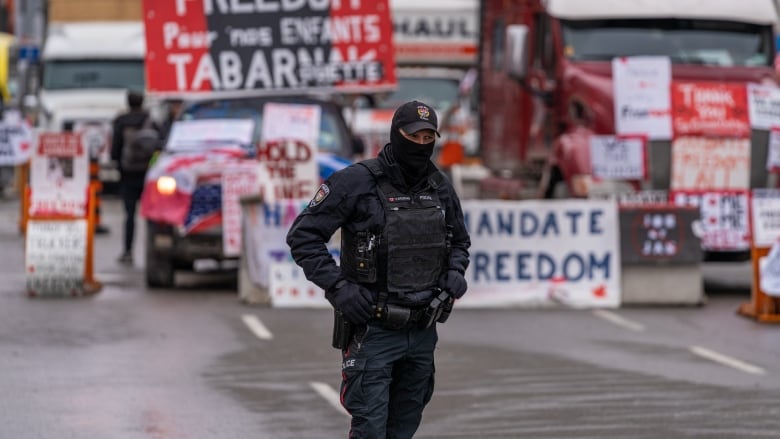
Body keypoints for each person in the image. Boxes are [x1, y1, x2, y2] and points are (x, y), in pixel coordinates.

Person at [286, 100, 471, 438]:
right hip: (374, 330)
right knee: (370, 430)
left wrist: (455, 273)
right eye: (413, 136)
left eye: (428, 136)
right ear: (395, 135)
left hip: (422, 331)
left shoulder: (439, 186)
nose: (421, 144)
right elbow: (303, 237)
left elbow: (460, 242)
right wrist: (339, 288)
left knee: (401, 431)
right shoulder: (356, 182)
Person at [110, 90, 159, 264]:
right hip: (148, 174)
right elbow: (159, 147)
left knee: (129, 215)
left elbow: (115, 150)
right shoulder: (151, 121)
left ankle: (128, 251)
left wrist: (118, 166)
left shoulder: (120, 121)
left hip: (127, 173)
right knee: (152, 216)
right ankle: (154, 250)